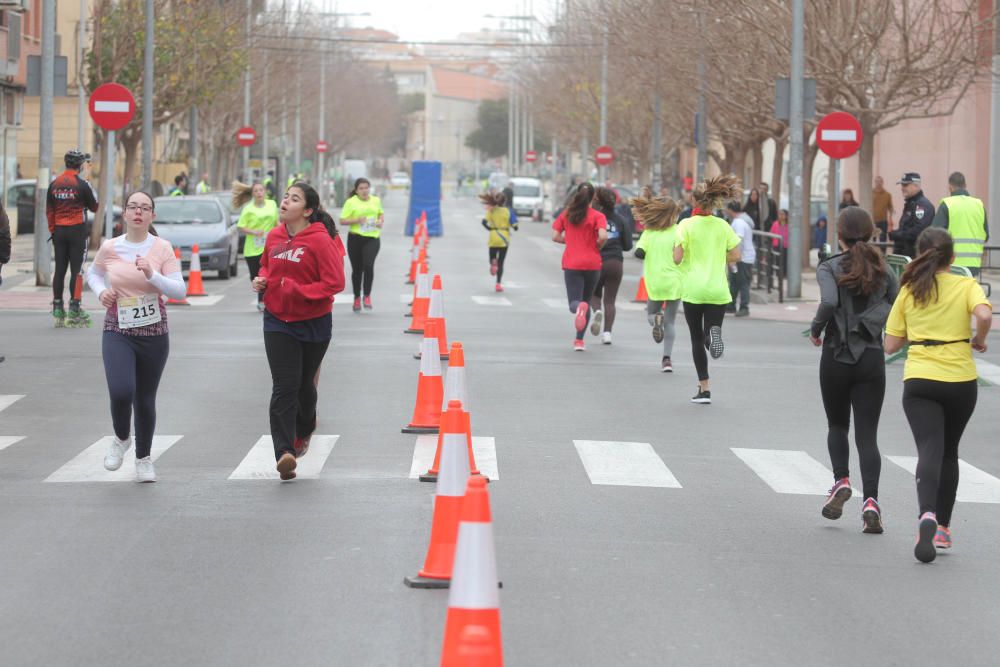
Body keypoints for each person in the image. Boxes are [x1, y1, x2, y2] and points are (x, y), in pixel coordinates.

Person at [884, 228, 992, 563]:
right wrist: (978, 339)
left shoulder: (910, 290)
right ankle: (943, 528)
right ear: (953, 258)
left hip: (920, 379)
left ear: (918, 256)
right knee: (949, 452)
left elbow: (890, 344)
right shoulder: (966, 285)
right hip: (960, 380)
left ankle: (926, 514)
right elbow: (985, 315)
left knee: (929, 448)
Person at [86, 191, 186, 483]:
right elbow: (92, 274)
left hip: (154, 332)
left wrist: (153, 274)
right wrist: (102, 291)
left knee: (144, 398)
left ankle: (143, 458)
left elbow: (179, 290)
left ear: (152, 216)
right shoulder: (111, 247)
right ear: (125, 214)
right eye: (133, 207)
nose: (138, 212)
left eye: (145, 208)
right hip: (118, 328)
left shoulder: (162, 248)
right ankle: (121, 437)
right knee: (121, 390)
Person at [810, 207, 898, 534]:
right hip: (872, 357)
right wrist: (872, 325)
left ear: (839, 235)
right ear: (872, 233)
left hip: (835, 355)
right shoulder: (883, 269)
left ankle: (841, 481)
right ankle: (871, 501)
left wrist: (817, 329)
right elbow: (896, 303)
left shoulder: (829, 267)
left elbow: (829, 303)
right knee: (867, 435)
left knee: (837, 425)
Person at [252, 181, 346, 481]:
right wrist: (262, 280)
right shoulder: (274, 236)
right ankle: (284, 452)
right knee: (284, 385)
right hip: (277, 320)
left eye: (294, 199)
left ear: (307, 211)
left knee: (305, 385)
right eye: (284, 197)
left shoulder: (321, 240)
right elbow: (266, 267)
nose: (284, 202)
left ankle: (305, 428)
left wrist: (297, 290)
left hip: (314, 322)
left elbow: (335, 283)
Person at [673, 175, 743, 404]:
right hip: (717, 289)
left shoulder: (685, 225)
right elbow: (736, 255)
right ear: (714, 203)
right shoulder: (723, 226)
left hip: (693, 288)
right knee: (710, 333)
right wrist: (717, 256)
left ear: (695, 202)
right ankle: (713, 338)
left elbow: (677, 257)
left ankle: (704, 388)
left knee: (695, 339)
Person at [631, 188, 683, 372]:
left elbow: (639, 253)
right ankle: (667, 359)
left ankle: (655, 320)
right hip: (675, 282)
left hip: (656, 282)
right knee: (671, 322)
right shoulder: (679, 231)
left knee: (651, 314)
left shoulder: (649, 233)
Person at [552, 182, 608, 351]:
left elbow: (555, 236)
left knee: (574, 305)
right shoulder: (598, 216)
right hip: (592, 263)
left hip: (572, 263)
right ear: (594, 197)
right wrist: (598, 245)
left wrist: (568, 241)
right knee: (586, 300)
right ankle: (579, 341)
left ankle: (580, 312)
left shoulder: (567, 214)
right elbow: (603, 235)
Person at [47, 149, 99, 327]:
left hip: (59, 231)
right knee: (76, 271)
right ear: (80, 165)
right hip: (77, 231)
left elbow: (49, 211)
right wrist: (90, 183)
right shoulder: (82, 184)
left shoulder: (54, 183)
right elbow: (94, 207)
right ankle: (74, 309)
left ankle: (57, 307)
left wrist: (53, 230)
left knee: (60, 270)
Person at [589, 186, 633, 344]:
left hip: (597, 261)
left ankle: (597, 311)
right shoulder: (621, 219)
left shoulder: (593, 218)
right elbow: (628, 245)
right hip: (615, 262)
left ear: (598, 202)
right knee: (610, 299)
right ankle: (607, 334)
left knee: (594, 294)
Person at [338, 177, 384, 312]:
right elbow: (342, 220)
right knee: (357, 270)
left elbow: (380, 214)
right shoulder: (351, 202)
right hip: (355, 238)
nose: (364, 191)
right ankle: (357, 297)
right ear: (356, 190)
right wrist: (357, 220)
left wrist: (381, 221)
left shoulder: (376, 200)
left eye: (366, 188)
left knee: (369, 265)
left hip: (372, 237)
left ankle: (367, 295)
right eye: (361, 188)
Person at [931, 171, 989, 277]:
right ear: (965, 185)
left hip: (951, 264)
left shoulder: (947, 204)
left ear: (950, 187)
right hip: (974, 265)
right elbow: (986, 235)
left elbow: (934, 235)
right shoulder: (979, 205)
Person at [234, 181, 280, 311]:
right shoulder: (248, 209)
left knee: (268, 274)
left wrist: (282, 233)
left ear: (265, 191)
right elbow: (240, 226)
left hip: (270, 247)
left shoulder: (272, 204)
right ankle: (262, 298)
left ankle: (265, 300)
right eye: (256, 191)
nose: (259, 193)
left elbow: (276, 222)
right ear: (253, 194)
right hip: (252, 249)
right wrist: (254, 232)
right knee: (256, 276)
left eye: (261, 190)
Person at [888, 172, 933, 258]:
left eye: (905, 185)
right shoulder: (911, 203)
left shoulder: (922, 205)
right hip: (905, 255)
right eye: (902, 185)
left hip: (914, 257)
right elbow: (906, 227)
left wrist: (897, 235)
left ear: (916, 186)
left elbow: (919, 231)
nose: (902, 188)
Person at [480, 191, 517, 292]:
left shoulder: (491, 210)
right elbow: (515, 226)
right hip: (504, 238)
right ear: (505, 201)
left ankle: (493, 262)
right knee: (501, 263)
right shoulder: (508, 211)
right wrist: (513, 226)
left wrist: (490, 229)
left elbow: (483, 222)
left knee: (492, 257)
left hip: (493, 236)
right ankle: (498, 284)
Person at [726, 201, 755, 317]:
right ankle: (731, 305)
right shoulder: (739, 221)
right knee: (734, 282)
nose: (725, 211)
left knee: (743, 283)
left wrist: (734, 257)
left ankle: (744, 307)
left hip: (743, 258)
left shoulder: (738, 222)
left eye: (726, 208)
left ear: (730, 209)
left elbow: (738, 240)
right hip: (741, 257)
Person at [872, 176, 894, 242]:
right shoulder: (870, 193)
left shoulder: (887, 195)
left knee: (883, 240)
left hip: (883, 221)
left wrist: (891, 217)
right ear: (874, 182)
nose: (878, 183)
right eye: (877, 181)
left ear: (882, 183)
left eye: (880, 181)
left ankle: (883, 252)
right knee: (872, 240)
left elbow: (890, 207)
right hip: (872, 220)